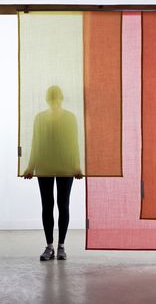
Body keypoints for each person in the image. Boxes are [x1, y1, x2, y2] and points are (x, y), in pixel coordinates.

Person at [23, 85, 83, 261]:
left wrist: (77, 166)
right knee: (47, 205)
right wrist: (30, 167)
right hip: (45, 165)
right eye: (51, 99)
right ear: (47, 100)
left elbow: (74, 143)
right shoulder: (40, 118)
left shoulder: (70, 118)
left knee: (63, 205)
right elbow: (36, 143)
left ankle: (61, 246)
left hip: (65, 166)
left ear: (61, 99)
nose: (54, 102)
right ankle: (49, 246)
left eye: (56, 98)